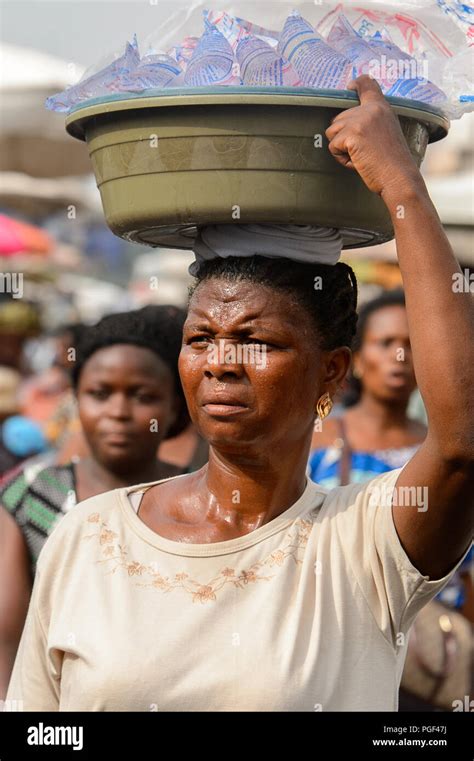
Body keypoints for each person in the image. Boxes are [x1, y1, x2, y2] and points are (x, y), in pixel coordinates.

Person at [6, 76, 473, 711]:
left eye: (259, 342)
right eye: (200, 338)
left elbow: (461, 440)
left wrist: (402, 186)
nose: (221, 363)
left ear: (331, 372)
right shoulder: (88, 535)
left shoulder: (362, 544)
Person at [0, 305, 189, 697]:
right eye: (100, 394)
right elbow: (6, 641)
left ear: (174, 406)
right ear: (76, 400)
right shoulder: (30, 494)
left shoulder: (199, 494)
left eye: (143, 396)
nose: (118, 413)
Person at [309, 289, 426, 487]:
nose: (399, 355)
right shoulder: (316, 438)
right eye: (385, 343)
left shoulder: (433, 449)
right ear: (358, 359)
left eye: (411, 345)